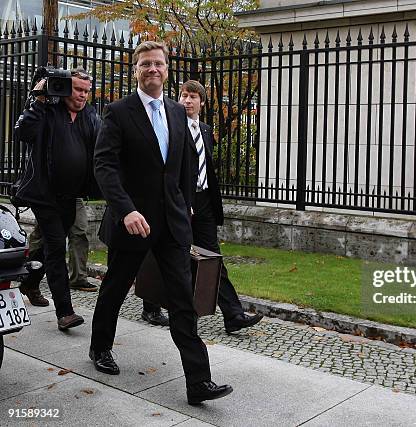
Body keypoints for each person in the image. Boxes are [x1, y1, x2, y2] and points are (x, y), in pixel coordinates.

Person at [90, 41, 232, 404]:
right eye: (145, 64)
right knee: (116, 288)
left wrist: (185, 207)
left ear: (167, 70)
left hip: (172, 225)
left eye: (159, 64)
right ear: (136, 70)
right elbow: (104, 166)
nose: (153, 69)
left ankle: (198, 381)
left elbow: (183, 166)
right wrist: (126, 209)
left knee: (183, 299)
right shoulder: (118, 112)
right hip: (132, 223)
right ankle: (100, 346)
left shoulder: (176, 112)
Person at [14, 67, 99, 330]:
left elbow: (104, 145)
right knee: (55, 246)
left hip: (71, 197)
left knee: (45, 247)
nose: (82, 96)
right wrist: (38, 98)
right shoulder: (47, 111)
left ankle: (28, 282)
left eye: (86, 91)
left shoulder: (90, 116)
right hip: (44, 194)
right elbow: (23, 132)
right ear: (64, 88)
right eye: (77, 90)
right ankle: (65, 312)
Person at [176, 79, 263, 333]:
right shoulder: (173, 126)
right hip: (182, 202)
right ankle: (155, 305)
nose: (187, 101)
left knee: (212, 259)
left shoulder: (205, 130)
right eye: (183, 95)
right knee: (176, 257)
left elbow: (206, 169)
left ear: (202, 102)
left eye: (193, 96)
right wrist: (183, 201)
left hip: (204, 204)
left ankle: (233, 315)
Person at [20, 198, 97, 307]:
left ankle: (78, 278)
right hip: (48, 195)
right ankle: (30, 279)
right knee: (45, 239)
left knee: (79, 234)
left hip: (73, 196)